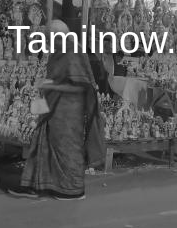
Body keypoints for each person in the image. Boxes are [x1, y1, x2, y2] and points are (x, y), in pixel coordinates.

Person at [9, 20, 105, 200]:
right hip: (53, 107)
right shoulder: (59, 51)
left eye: (49, 39)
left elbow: (82, 87)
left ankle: (72, 190)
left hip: (69, 111)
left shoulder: (73, 51)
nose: (48, 44)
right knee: (44, 142)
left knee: (66, 149)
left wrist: (52, 85)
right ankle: (40, 184)